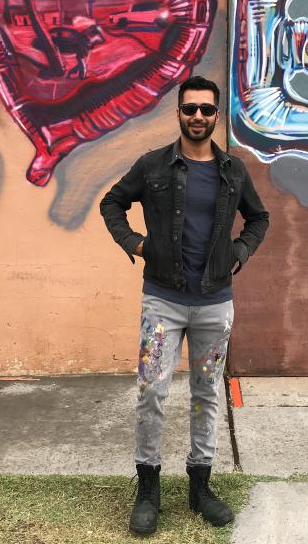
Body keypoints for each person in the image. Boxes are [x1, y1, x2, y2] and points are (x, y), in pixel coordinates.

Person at [99, 75, 270, 534]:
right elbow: (111, 203)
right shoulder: (154, 166)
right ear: (178, 113)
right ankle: (148, 488)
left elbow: (259, 217)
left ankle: (200, 485)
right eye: (190, 109)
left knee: (206, 394)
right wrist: (135, 244)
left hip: (214, 304)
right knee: (152, 391)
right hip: (163, 300)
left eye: (207, 110)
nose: (198, 117)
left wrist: (240, 251)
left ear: (216, 116)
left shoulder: (232, 170)